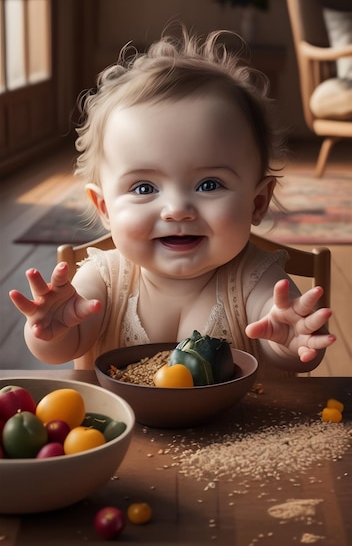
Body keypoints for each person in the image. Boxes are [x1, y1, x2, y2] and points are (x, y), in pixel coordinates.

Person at [9, 27, 335, 374]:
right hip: (125, 428)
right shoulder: (101, 279)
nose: (177, 209)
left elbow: (290, 353)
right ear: (104, 207)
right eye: (145, 188)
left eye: (209, 184)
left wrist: (291, 338)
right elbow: (62, 348)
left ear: (257, 203)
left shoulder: (257, 279)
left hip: (236, 429)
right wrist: (48, 332)